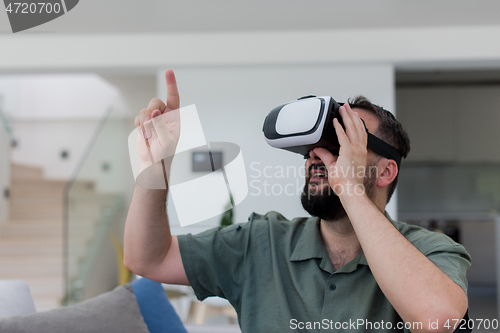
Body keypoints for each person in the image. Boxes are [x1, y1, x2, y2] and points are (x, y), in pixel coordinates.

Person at [124, 70, 471, 333]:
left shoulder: (429, 250)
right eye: (309, 150)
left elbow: (437, 319)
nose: (316, 158)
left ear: (385, 172)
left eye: (340, 145)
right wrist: (156, 167)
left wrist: (349, 190)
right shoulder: (261, 243)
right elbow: (147, 259)